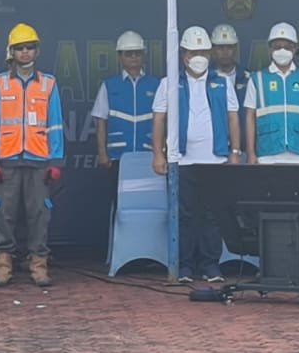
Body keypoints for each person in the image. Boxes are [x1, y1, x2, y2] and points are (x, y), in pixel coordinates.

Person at [151, 25, 240, 283]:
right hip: (182, 160)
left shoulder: (222, 83)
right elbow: (158, 120)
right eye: (193, 52)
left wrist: (235, 152)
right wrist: (158, 155)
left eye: (203, 52)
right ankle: (185, 266)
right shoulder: (169, 83)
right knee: (184, 214)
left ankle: (211, 265)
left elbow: (233, 118)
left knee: (213, 214)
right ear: (183, 55)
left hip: (215, 160)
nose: (199, 57)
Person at [0, 23, 64, 288]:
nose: (25, 52)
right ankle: (3, 266)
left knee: (39, 215)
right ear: (12, 52)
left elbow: (55, 124)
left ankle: (39, 266)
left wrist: (56, 160)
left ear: (37, 51)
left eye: (30, 47)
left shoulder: (48, 84)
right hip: (7, 160)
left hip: (39, 160)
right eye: (20, 48)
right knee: (4, 215)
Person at [246, 23, 299, 165]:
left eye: (287, 47)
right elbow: (250, 116)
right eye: (277, 46)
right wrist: (250, 152)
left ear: (295, 48)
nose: (282, 50)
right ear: (270, 49)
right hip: (267, 152)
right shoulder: (257, 78)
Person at [92, 30, 160, 175]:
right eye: (128, 53)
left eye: (137, 53)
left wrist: (162, 152)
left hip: (149, 156)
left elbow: (165, 122)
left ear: (143, 54)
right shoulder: (109, 85)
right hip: (117, 157)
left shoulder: (156, 85)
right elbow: (100, 122)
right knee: (117, 190)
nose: (134, 57)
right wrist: (102, 153)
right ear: (120, 56)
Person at [210, 24, 250, 156]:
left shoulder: (248, 78)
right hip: (213, 149)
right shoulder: (205, 79)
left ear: (236, 48)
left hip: (244, 148)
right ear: (213, 50)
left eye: (229, 47)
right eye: (220, 47)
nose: (225, 52)